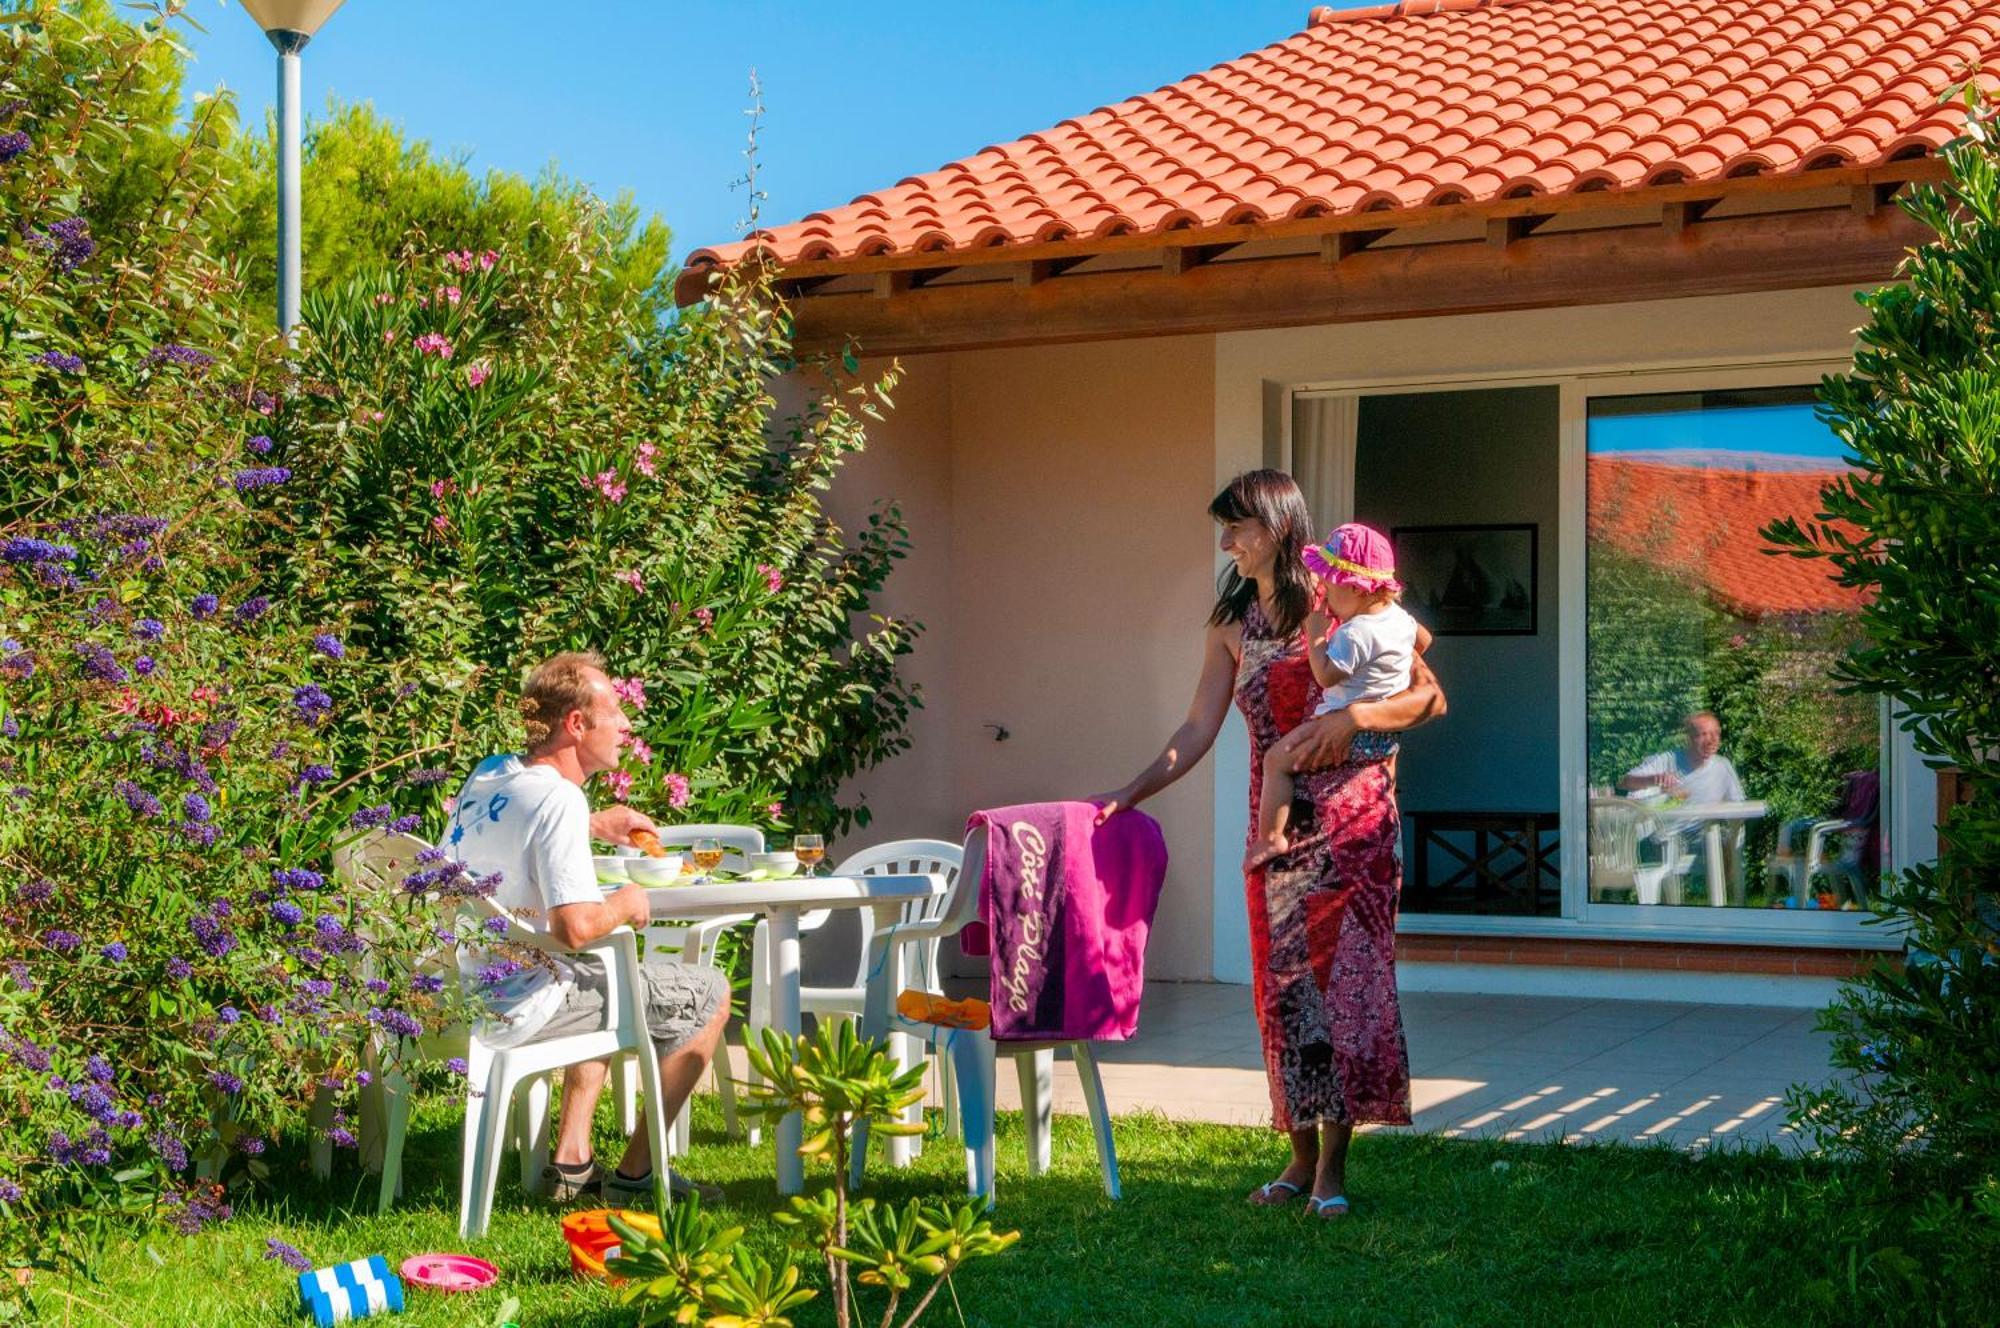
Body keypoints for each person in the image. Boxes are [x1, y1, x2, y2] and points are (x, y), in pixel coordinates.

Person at [1090, 470, 1445, 1220]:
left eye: (1237, 528)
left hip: (1354, 827)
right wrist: (1129, 791)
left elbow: (1429, 694)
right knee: (1285, 999)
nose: (1226, 543)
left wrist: (1355, 721)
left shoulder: (1344, 600)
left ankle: (1334, 1171)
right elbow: (1197, 730)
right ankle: (1300, 1154)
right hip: (1275, 835)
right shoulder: (1231, 623)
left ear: (1279, 528)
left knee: (1347, 992)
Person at [444, 650, 730, 1207]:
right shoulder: (560, 799)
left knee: (602, 972)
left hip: (466, 988)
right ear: (577, 724)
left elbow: (521, 822)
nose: (626, 725)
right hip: (523, 1003)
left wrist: (593, 823)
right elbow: (575, 927)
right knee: (710, 993)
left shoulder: (492, 773)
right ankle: (637, 1175)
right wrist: (626, 902)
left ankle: (572, 1163)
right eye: (615, 712)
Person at [1246, 522, 1431, 871]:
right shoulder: (1400, 620)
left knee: (1276, 762)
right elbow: (1424, 642)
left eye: (1331, 586)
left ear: (1359, 590)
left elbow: (1326, 674)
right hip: (1383, 738)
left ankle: (1270, 838)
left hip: (1343, 732)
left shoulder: (1356, 633)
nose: (1325, 594)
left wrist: (1315, 634)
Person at [1619, 711, 1745, 804]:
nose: (1711, 741)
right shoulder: (1667, 760)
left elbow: (1738, 807)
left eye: (1715, 734)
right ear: (1689, 739)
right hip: (1666, 836)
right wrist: (1652, 779)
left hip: (1707, 836)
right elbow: (1623, 783)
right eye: (1704, 734)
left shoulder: (1722, 766)